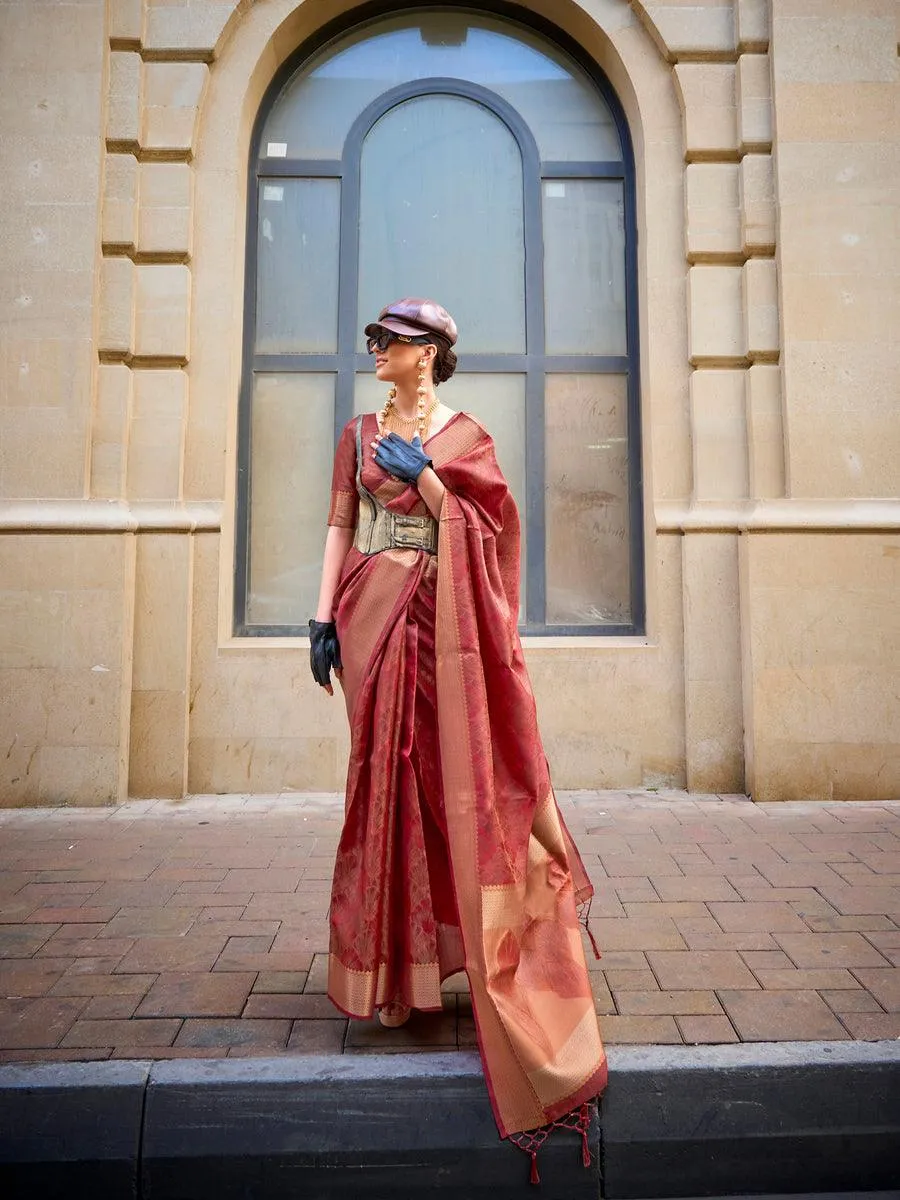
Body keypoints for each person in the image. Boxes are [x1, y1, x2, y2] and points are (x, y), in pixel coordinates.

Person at [309, 298, 607, 1176]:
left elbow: (493, 532)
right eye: (375, 340)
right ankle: (394, 978)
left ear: (430, 353)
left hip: (447, 626)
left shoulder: (468, 436)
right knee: (383, 784)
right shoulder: (357, 429)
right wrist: (321, 616)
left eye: (390, 342)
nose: (375, 351)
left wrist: (432, 482)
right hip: (372, 616)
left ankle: (476, 955)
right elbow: (337, 522)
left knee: (456, 784)